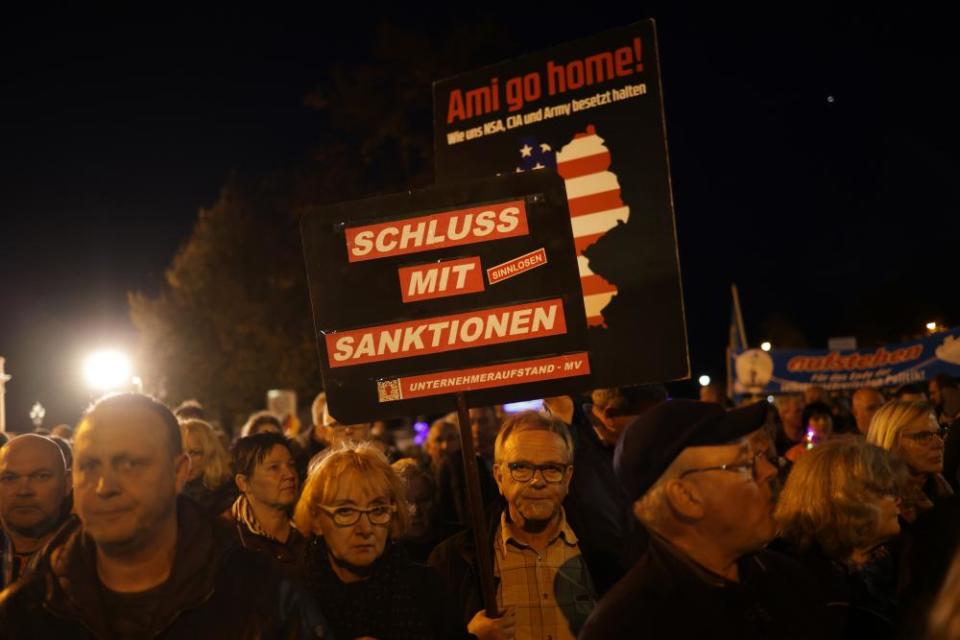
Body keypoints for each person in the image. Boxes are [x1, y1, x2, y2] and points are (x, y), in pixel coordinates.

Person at [0, 393, 329, 638]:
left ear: (179, 472)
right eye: (89, 466)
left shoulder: (263, 596)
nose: (105, 486)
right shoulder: (27, 610)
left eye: (130, 464)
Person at [580, 399, 831, 639]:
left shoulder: (789, 580)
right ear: (686, 497)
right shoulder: (626, 627)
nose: (770, 471)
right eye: (744, 464)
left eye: (761, 459)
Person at [430, 410, 596, 639]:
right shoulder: (454, 560)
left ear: (567, 478)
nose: (538, 481)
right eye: (521, 468)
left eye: (551, 469)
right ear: (499, 476)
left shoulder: (602, 551)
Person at [294, 441, 472, 639]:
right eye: (346, 511)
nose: (365, 528)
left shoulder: (426, 588)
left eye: (377, 510)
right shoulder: (290, 601)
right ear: (317, 519)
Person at [775, 437, 903, 637]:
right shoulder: (816, 591)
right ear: (847, 500)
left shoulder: (881, 563)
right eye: (886, 491)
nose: (898, 498)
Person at [558, 385, 666, 595]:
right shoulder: (570, 444)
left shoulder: (647, 450)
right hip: (595, 591)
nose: (656, 431)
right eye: (646, 422)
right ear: (610, 415)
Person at [228, 432, 306, 577]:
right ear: (243, 483)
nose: (289, 474)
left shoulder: (311, 525)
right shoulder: (226, 535)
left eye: (291, 465)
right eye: (274, 468)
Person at [0, 435, 72, 588]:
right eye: (9, 478)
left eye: (41, 476)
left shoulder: (93, 553)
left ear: (67, 483)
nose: (24, 490)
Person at [867, 400, 951, 513]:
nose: (940, 443)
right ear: (890, 442)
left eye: (939, 433)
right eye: (923, 436)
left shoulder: (939, 485)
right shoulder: (875, 504)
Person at [391, 457, 457, 563]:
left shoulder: (458, 543)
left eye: (423, 500)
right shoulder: (386, 555)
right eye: (406, 502)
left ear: (434, 498)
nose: (416, 511)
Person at [180, 419, 237, 516]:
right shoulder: (165, 494)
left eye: (195, 452)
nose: (187, 460)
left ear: (210, 454)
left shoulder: (226, 496)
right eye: (181, 452)